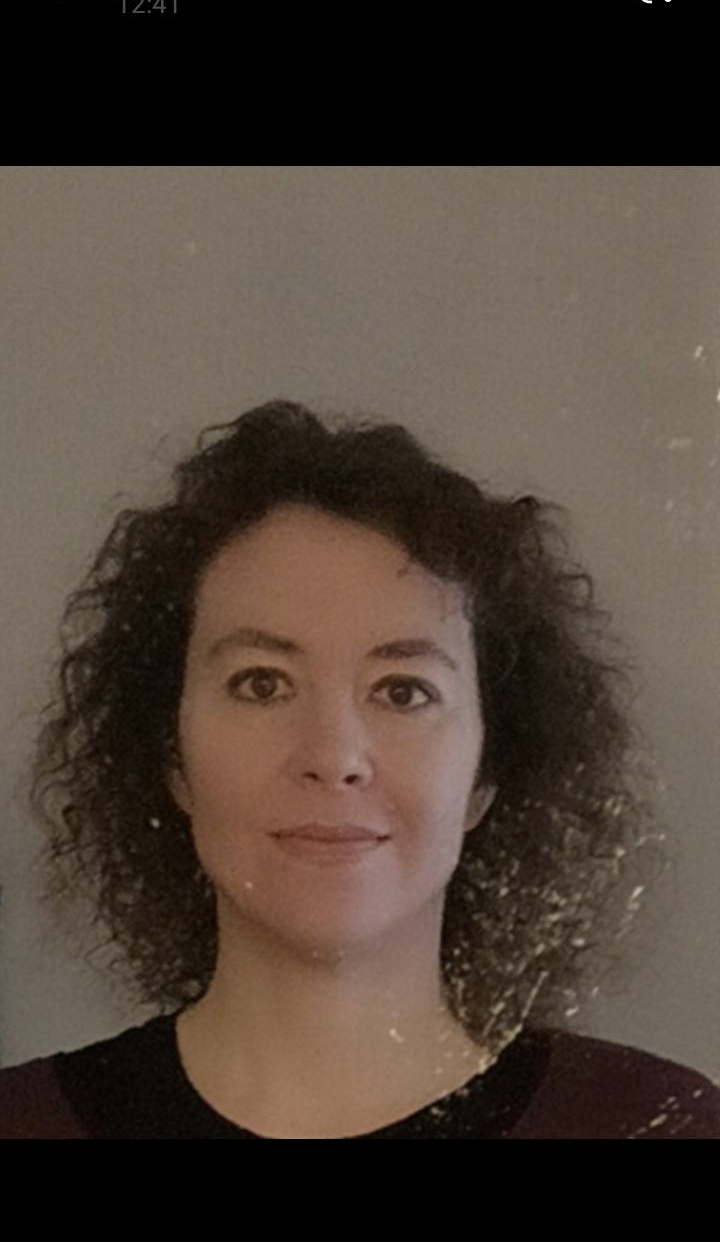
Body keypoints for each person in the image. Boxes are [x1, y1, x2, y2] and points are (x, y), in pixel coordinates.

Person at [1, 399, 718, 1138]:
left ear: (487, 773)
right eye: (261, 684)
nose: (333, 757)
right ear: (171, 755)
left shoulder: (652, 1126)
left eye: (403, 692)